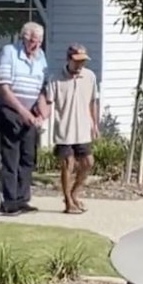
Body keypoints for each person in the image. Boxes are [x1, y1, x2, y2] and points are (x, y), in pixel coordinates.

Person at [0, 21, 48, 215]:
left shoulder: (41, 57)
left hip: (30, 111)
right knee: (11, 157)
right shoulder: (10, 52)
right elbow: (3, 88)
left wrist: (41, 113)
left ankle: (23, 199)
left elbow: (42, 89)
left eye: (40, 41)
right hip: (10, 110)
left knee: (27, 157)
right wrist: (23, 112)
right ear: (24, 38)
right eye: (33, 41)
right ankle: (9, 201)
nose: (36, 45)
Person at [40, 44, 99, 214]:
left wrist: (95, 124)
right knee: (68, 164)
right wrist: (41, 118)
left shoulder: (90, 77)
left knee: (88, 162)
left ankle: (74, 193)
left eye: (83, 62)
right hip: (64, 129)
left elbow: (92, 101)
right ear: (69, 60)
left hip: (83, 129)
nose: (80, 65)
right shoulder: (56, 78)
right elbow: (48, 101)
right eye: (77, 61)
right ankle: (68, 202)